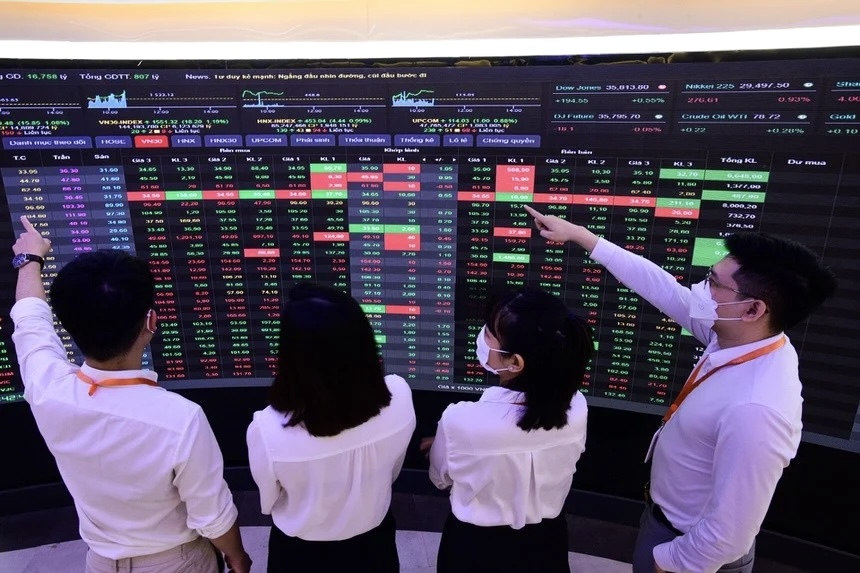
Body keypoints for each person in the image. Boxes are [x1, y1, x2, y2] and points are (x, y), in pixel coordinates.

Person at [524, 205, 837, 573]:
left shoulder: (757, 410)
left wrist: (669, 561)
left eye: (713, 282)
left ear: (752, 309)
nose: (701, 289)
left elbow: (731, 534)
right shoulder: (739, 337)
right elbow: (662, 288)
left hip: (688, 551)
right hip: (666, 524)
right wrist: (582, 236)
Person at [10, 216, 251, 573]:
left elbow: (30, 319)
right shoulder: (179, 418)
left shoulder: (48, 390)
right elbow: (212, 517)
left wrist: (29, 259)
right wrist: (238, 558)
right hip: (178, 563)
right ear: (151, 322)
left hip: (101, 563)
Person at [246, 283, 416, 573]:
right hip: (375, 548)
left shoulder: (267, 429)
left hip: (300, 557)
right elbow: (392, 470)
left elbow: (269, 500)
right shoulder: (400, 395)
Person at [424, 287, 594, 573]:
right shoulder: (578, 407)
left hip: (475, 547)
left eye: (490, 333)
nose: (482, 336)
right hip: (547, 543)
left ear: (515, 362)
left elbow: (440, 479)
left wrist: (454, 447)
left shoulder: (460, 420)